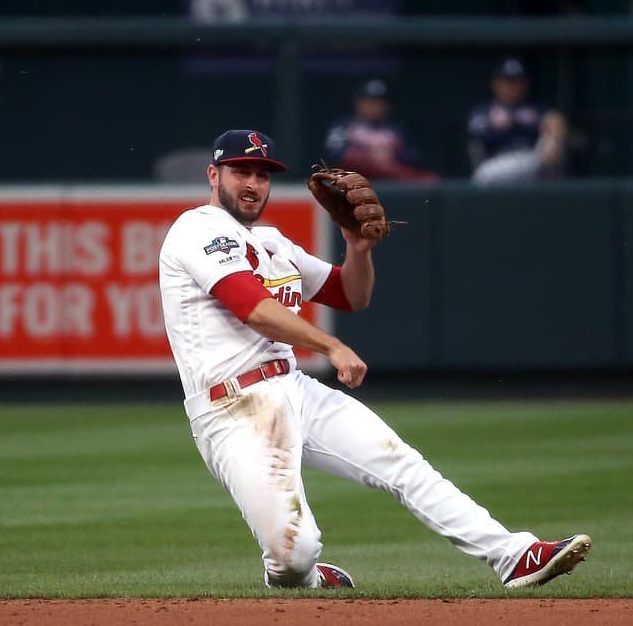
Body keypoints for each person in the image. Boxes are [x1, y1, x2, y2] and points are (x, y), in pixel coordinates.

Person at [157, 128, 592, 590]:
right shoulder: (196, 230)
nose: (252, 183)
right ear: (213, 174)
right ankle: (299, 575)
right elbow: (253, 307)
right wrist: (332, 346)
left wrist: (357, 246)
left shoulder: (272, 242)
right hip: (233, 408)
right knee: (293, 554)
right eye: (240, 171)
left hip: (293, 386)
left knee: (399, 462)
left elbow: (350, 294)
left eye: (262, 174)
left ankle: (513, 554)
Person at [466, 57, 569, 185]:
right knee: (484, 175)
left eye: (520, 81)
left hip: (534, 161)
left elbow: (555, 125)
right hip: (497, 163)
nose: (515, 86)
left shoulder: (539, 110)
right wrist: (518, 125)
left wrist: (513, 124)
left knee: (554, 123)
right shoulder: (484, 111)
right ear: (496, 83)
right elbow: (478, 131)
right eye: (509, 81)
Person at [322, 78, 437, 182]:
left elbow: (413, 161)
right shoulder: (343, 126)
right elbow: (338, 158)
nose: (376, 106)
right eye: (371, 101)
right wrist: (383, 166)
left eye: (381, 102)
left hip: (392, 190)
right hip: (349, 187)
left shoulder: (397, 131)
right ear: (358, 103)